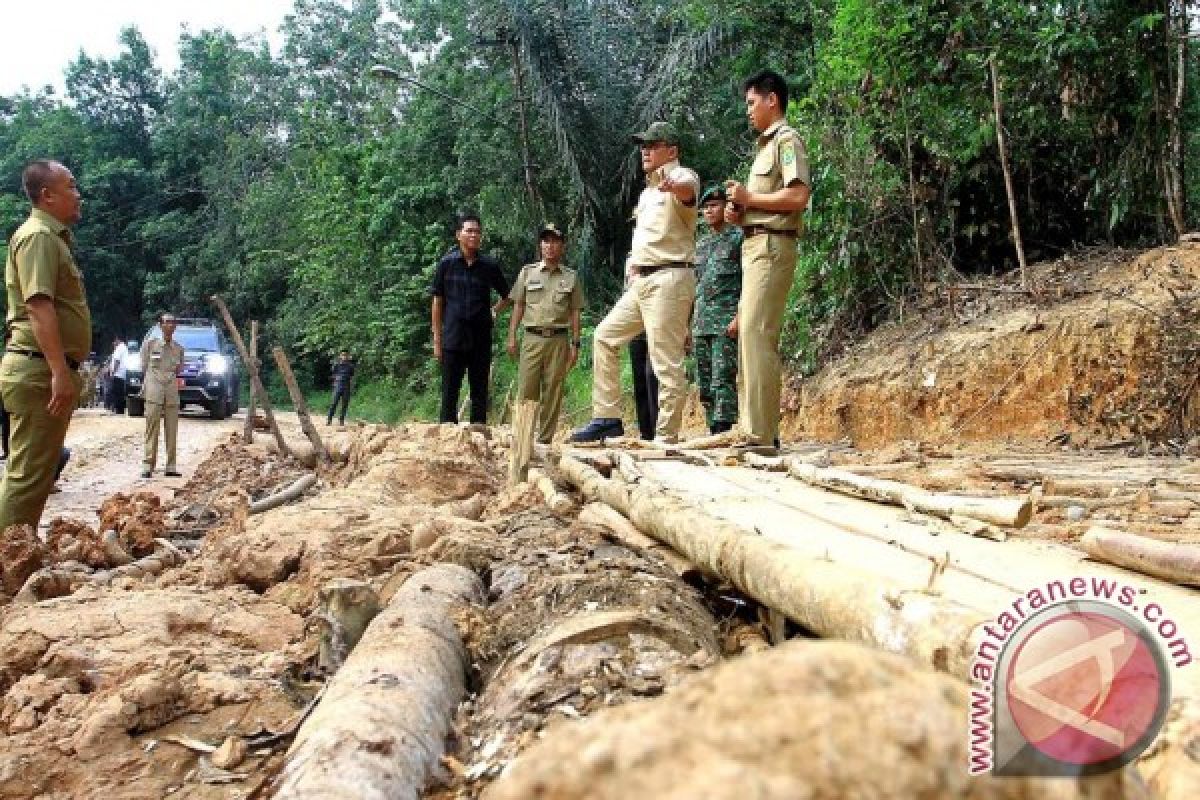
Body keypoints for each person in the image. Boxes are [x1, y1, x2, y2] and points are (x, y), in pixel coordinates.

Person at [571, 121, 699, 444]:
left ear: (671, 150)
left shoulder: (681, 178)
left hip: (669, 278)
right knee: (604, 336)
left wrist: (674, 184)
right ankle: (608, 418)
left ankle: (666, 436)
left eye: (653, 145)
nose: (645, 150)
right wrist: (631, 265)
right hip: (641, 283)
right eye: (643, 145)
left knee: (665, 361)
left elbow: (687, 189)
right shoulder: (646, 194)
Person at [0, 159, 91, 531]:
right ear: (47, 195)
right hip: (38, 368)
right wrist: (58, 370)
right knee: (27, 478)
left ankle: (16, 553)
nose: (78, 193)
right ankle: (7, 565)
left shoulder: (51, 238)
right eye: (70, 186)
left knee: (36, 475)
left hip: (41, 366)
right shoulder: (38, 236)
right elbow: (38, 306)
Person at [724, 70, 811, 451]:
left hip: (773, 248)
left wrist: (750, 199)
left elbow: (797, 197)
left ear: (771, 99)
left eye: (751, 102)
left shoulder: (786, 141)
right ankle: (754, 427)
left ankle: (759, 434)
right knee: (750, 335)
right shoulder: (764, 148)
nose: (748, 110)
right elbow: (764, 203)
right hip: (756, 247)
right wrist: (739, 213)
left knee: (758, 334)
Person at [506, 223, 584, 444]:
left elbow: (575, 311)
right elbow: (518, 305)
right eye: (546, 241)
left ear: (562, 246)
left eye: (555, 241)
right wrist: (512, 335)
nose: (550, 246)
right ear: (540, 245)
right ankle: (523, 439)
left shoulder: (571, 277)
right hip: (531, 338)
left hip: (559, 340)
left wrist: (575, 344)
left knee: (553, 391)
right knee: (527, 390)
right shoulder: (527, 272)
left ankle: (544, 442)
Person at [430, 214, 511, 425]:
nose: (474, 235)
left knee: (479, 393)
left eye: (477, 231)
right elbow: (437, 302)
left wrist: (493, 311)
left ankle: (478, 439)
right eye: (469, 231)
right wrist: (437, 340)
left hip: (480, 339)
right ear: (459, 235)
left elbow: (508, 296)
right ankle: (447, 439)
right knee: (449, 391)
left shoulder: (489, 266)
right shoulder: (446, 264)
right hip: (453, 338)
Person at [693, 184, 744, 434]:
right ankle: (712, 430)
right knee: (705, 383)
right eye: (706, 207)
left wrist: (740, 316)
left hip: (726, 321)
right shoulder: (701, 245)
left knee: (722, 378)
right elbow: (696, 286)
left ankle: (723, 431)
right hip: (701, 323)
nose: (709, 211)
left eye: (714, 205)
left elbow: (750, 280)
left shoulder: (739, 238)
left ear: (726, 207)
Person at [140, 313, 184, 479]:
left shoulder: (179, 348)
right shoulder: (150, 344)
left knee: (172, 429)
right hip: (154, 388)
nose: (169, 325)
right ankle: (147, 465)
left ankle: (171, 466)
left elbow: (179, 369)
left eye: (172, 322)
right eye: (166, 322)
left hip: (171, 390)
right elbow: (144, 365)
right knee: (152, 428)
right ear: (160, 325)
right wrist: (150, 382)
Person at [327, 351, 356, 426]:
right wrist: (335, 384)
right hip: (338, 385)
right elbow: (333, 375)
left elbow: (352, 377)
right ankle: (329, 419)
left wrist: (352, 388)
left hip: (346, 386)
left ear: (348, 356)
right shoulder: (336, 365)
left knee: (344, 404)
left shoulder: (350, 366)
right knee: (334, 403)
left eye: (345, 355)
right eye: (343, 355)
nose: (344, 357)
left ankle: (341, 420)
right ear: (340, 356)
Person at [107, 335, 128, 414]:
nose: (113, 344)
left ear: (117, 340)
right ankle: (120, 409)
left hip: (118, 374)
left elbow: (117, 361)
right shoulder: (124, 347)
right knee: (120, 393)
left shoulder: (119, 348)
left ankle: (118, 410)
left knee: (116, 392)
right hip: (122, 374)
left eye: (114, 342)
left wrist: (113, 372)